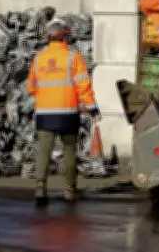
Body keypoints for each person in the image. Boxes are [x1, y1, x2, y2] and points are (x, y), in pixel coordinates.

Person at [26, 18, 101, 204]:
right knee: (69, 152)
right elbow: (83, 86)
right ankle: (69, 191)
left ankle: (40, 190)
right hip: (67, 113)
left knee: (43, 152)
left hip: (44, 115)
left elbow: (31, 88)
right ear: (64, 37)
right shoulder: (73, 58)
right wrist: (92, 109)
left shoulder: (39, 59)